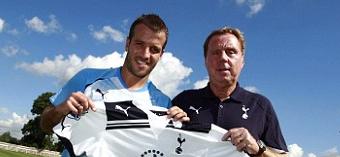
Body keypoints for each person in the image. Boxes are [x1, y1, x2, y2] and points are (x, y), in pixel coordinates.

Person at [40, 14, 188, 157]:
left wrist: (179, 128)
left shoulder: (163, 104)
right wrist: (61, 110)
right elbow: (45, 126)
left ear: (161, 55)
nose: (145, 54)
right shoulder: (87, 79)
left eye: (154, 49)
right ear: (127, 44)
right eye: (139, 44)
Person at [172, 27, 288, 157]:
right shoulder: (183, 101)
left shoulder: (261, 106)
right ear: (205, 61)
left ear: (242, 61)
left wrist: (257, 148)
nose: (223, 58)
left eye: (231, 52)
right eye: (216, 52)